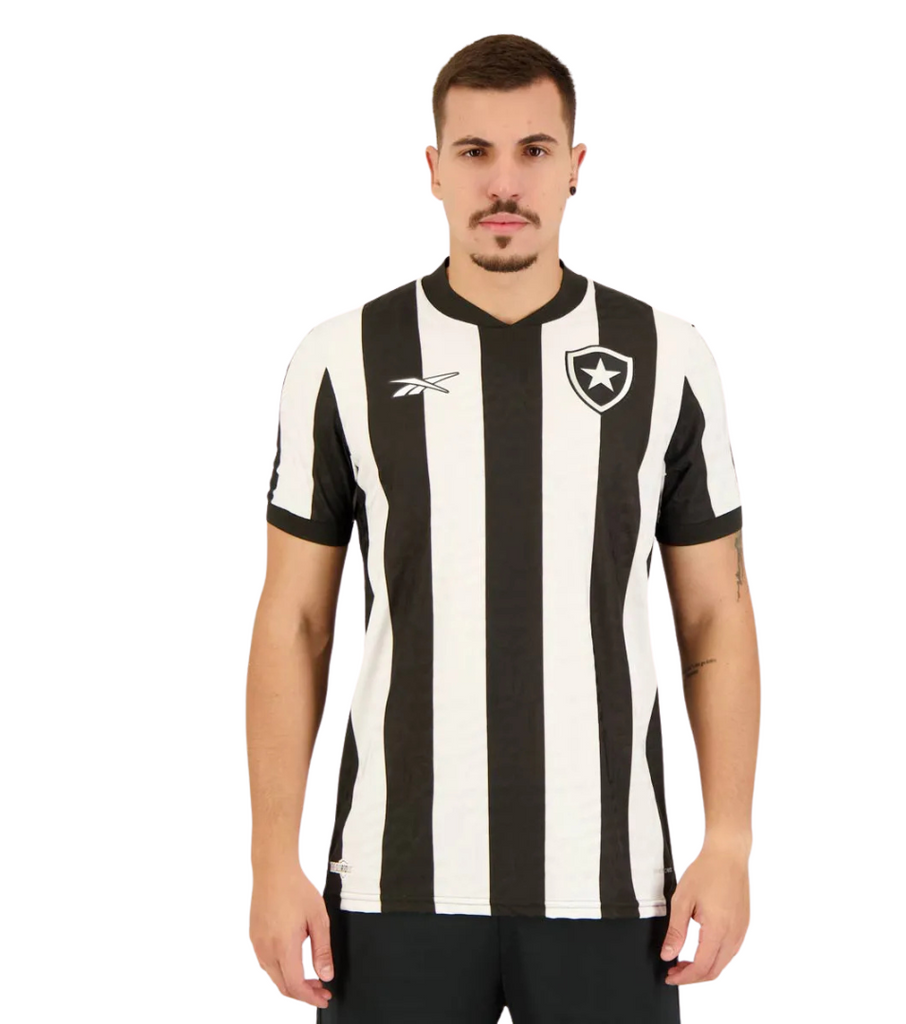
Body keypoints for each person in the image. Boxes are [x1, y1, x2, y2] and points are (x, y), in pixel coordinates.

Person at [247, 32, 760, 1024]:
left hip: (613, 888)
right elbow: (294, 622)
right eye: (475, 152)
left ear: (575, 166)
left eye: (533, 150)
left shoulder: (668, 357)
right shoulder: (342, 358)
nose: (504, 183)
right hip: (394, 883)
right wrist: (274, 858)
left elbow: (716, 617)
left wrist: (729, 841)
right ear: (434, 168)